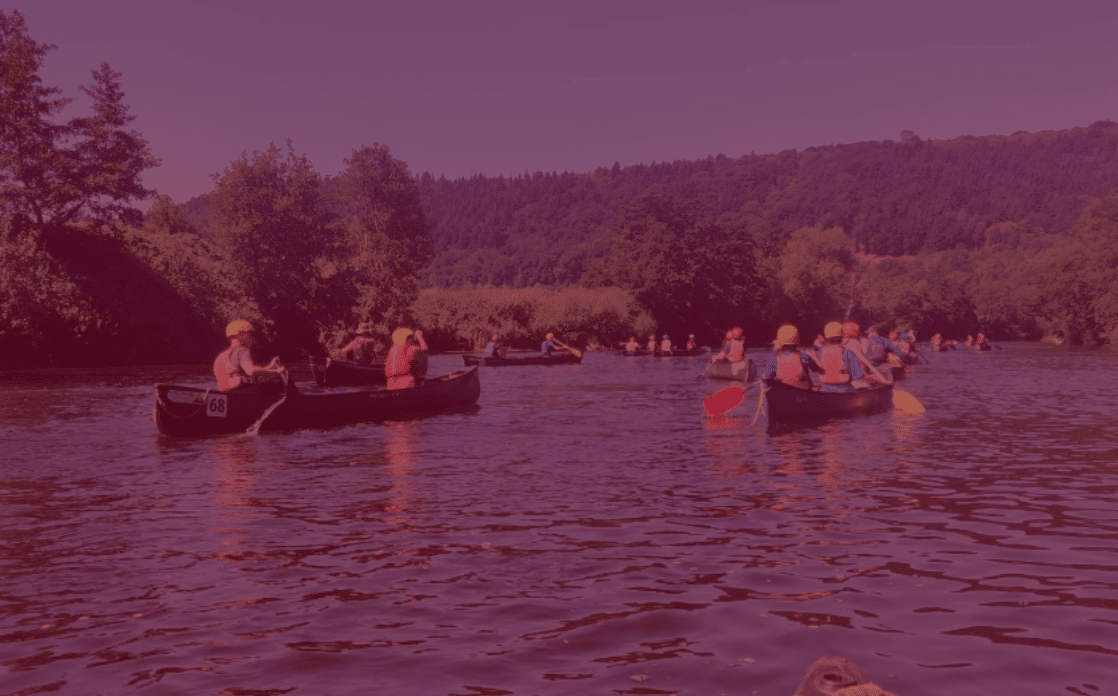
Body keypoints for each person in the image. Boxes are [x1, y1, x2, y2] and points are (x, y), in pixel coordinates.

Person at [213, 319, 285, 392]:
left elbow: (236, 374)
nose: (253, 339)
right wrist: (276, 372)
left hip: (228, 395)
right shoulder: (242, 351)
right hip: (244, 395)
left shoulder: (221, 356)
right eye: (251, 335)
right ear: (242, 335)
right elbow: (251, 371)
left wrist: (270, 366)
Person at [762, 325, 818, 390]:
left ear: (780, 342)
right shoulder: (805, 356)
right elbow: (817, 369)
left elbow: (766, 381)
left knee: (765, 381)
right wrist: (814, 356)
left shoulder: (773, 360)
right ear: (797, 341)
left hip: (783, 393)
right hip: (804, 393)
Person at [815, 321, 865, 393]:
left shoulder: (821, 351)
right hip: (844, 390)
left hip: (825, 390)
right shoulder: (847, 352)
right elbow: (858, 375)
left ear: (826, 336)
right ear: (842, 335)